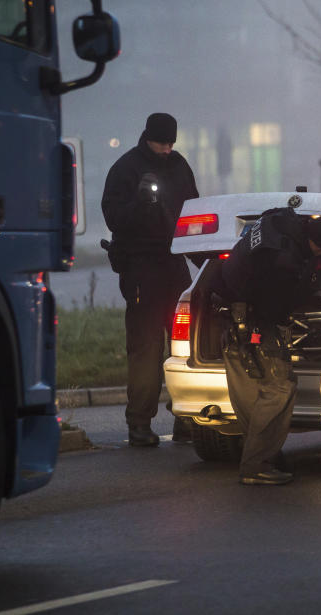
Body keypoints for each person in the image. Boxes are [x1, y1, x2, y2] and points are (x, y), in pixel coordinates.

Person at [205, 207, 321, 485]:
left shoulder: (279, 221)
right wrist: (306, 290)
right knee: (281, 387)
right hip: (255, 324)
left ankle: (262, 454)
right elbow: (273, 310)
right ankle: (256, 464)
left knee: (250, 392)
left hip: (226, 315)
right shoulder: (285, 262)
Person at [101, 112, 199, 446]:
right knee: (145, 348)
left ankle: (187, 416)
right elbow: (114, 218)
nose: (166, 149)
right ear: (147, 137)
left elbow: (193, 212)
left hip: (174, 266)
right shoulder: (126, 169)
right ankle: (140, 423)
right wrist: (140, 205)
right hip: (141, 268)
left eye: (171, 143)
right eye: (161, 143)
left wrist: (202, 252)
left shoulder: (179, 165)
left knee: (186, 346)